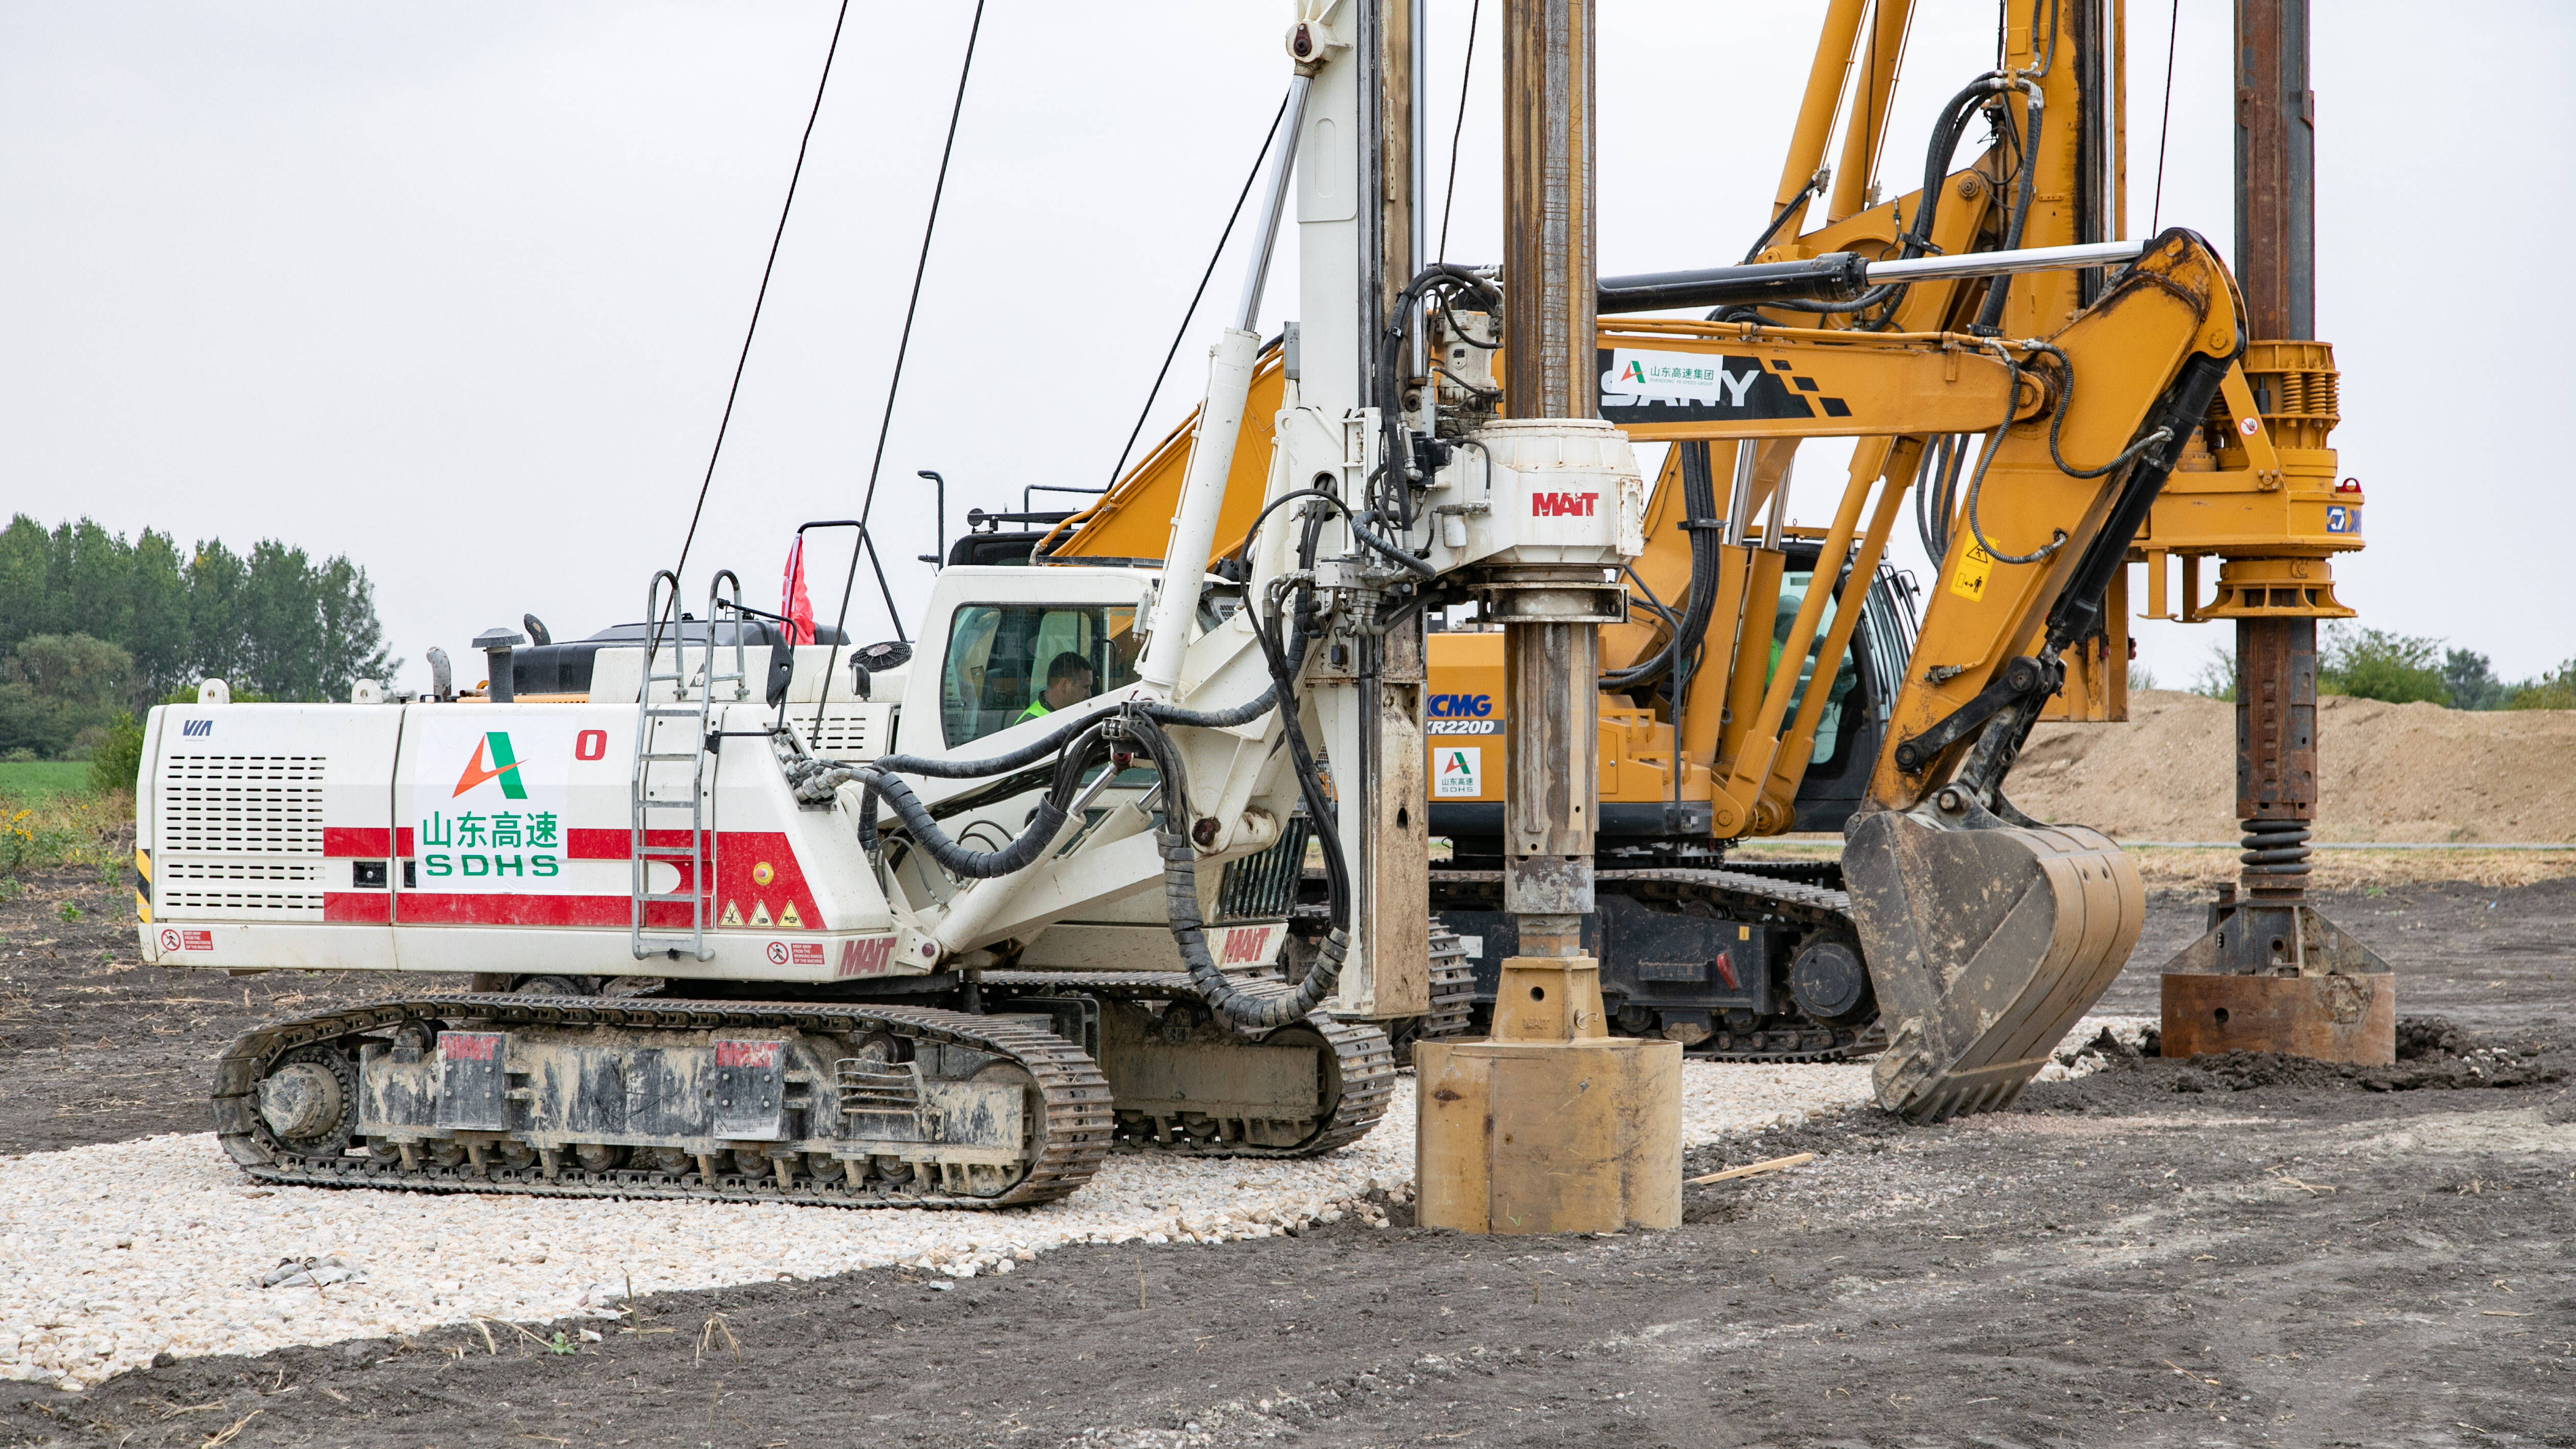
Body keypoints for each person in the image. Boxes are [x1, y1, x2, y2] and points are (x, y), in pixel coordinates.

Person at [1018, 651, 1095, 722]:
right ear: (1064, 685)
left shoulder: (1063, 714)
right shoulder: (1031, 724)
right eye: (1085, 687)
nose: (1089, 694)